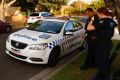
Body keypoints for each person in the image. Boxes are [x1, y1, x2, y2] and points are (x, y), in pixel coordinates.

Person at [87, 7, 116, 80]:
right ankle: (107, 74)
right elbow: (111, 27)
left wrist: (92, 19)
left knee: (100, 62)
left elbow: (88, 28)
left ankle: (102, 77)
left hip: (101, 45)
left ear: (101, 13)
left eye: (97, 13)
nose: (97, 15)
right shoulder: (111, 21)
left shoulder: (102, 22)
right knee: (105, 60)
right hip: (108, 43)